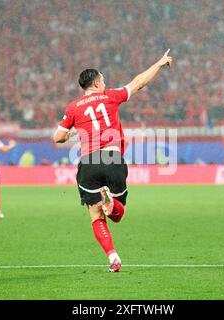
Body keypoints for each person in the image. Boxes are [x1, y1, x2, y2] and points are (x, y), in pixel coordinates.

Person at [53, 49, 173, 272]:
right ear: (97, 83)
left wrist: (73, 133)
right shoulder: (110, 96)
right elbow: (138, 83)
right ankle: (111, 201)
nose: (105, 83)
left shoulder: (72, 107)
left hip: (88, 163)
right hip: (113, 158)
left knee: (95, 216)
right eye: (104, 80)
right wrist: (159, 63)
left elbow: (58, 137)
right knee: (118, 214)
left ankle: (113, 258)